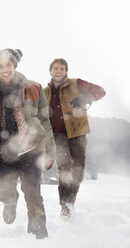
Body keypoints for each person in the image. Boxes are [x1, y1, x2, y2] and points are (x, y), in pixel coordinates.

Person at [0, 48, 56, 239]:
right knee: (3, 191)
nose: (5, 69)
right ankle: (9, 202)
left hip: (31, 150)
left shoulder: (34, 88)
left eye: (8, 65)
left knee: (34, 195)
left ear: (14, 65)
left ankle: (38, 236)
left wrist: (49, 151)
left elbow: (45, 121)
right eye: (0, 66)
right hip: (3, 152)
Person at [44, 58, 106, 218]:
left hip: (77, 134)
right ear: (50, 71)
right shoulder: (45, 92)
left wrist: (87, 97)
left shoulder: (76, 83)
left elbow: (100, 90)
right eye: (55, 68)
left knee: (77, 172)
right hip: (58, 137)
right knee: (64, 171)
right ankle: (65, 207)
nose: (59, 71)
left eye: (62, 69)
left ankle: (70, 202)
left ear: (66, 72)